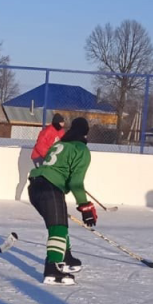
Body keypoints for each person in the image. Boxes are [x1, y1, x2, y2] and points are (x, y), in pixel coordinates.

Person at [28, 116, 97, 284]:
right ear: (86, 133)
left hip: (35, 186)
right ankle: (53, 269)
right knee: (58, 228)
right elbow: (75, 182)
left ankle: (66, 257)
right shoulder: (81, 149)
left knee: (59, 223)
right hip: (50, 188)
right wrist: (85, 207)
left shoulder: (59, 144)